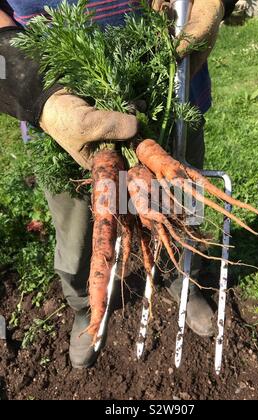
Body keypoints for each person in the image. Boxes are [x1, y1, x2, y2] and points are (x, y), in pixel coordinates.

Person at [0, 0, 238, 368]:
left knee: (176, 206)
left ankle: (180, 274)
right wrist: (35, 93)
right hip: (61, 115)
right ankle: (86, 305)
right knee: (80, 237)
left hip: (171, 91)